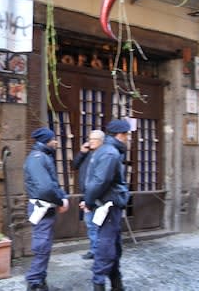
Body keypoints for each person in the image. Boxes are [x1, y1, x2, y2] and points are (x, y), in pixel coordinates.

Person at [84, 119, 131, 291]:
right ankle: (100, 284)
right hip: (108, 207)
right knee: (107, 248)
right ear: (121, 135)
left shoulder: (106, 151)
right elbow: (99, 181)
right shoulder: (110, 153)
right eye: (127, 135)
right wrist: (89, 202)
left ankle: (117, 285)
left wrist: (89, 200)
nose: (128, 139)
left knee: (113, 247)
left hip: (109, 205)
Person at [24, 127, 70, 291]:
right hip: (42, 207)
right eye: (53, 139)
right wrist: (60, 201)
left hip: (46, 207)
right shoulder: (38, 158)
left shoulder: (42, 157)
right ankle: (34, 282)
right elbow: (45, 188)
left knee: (45, 245)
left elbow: (52, 183)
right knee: (42, 246)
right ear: (45, 141)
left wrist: (62, 196)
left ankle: (40, 281)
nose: (56, 141)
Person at [71, 130, 105, 260]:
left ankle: (101, 251)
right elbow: (74, 165)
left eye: (93, 139)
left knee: (99, 224)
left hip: (100, 195)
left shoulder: (104, 155)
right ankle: (94, 250)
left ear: (101, 141)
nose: (90, 141)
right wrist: (81, 153)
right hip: (86, 194)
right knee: (90, 223)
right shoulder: (87, 153)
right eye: (89, 138)